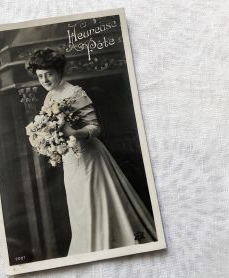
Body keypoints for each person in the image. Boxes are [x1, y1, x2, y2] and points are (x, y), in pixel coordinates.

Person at [25, 48, 157, 256]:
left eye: (49, 74)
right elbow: (51, 128)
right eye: (40, 76)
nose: (45, 80)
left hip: (89, 158)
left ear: (60, 71)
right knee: (80, 207)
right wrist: (48, 141)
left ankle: (105, 246)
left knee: (94, 202)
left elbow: (95, 127)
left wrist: (73, 132)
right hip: (70, 159)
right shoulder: (50, 96)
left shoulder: (75, 93)